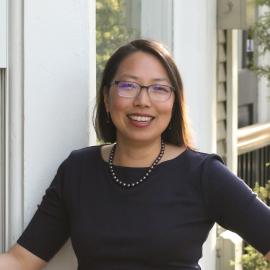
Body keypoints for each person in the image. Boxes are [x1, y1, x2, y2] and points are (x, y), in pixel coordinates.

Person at [0, 39, 270, 270]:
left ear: (174, 103)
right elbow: (20, 261)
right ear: (107, 98)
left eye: (159, 88)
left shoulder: (203, 174)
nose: (143, 100)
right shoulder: (78, 170)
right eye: (129, 86)